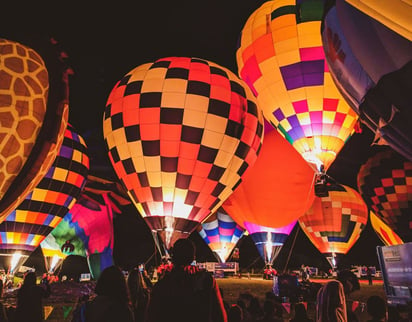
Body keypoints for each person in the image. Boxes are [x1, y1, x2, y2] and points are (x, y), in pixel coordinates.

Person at [146, 238, 227, 322]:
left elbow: (151, 316)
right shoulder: (207, 281)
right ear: (193, 257)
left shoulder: (162, 286)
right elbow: (220, 315)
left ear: (173, 256)